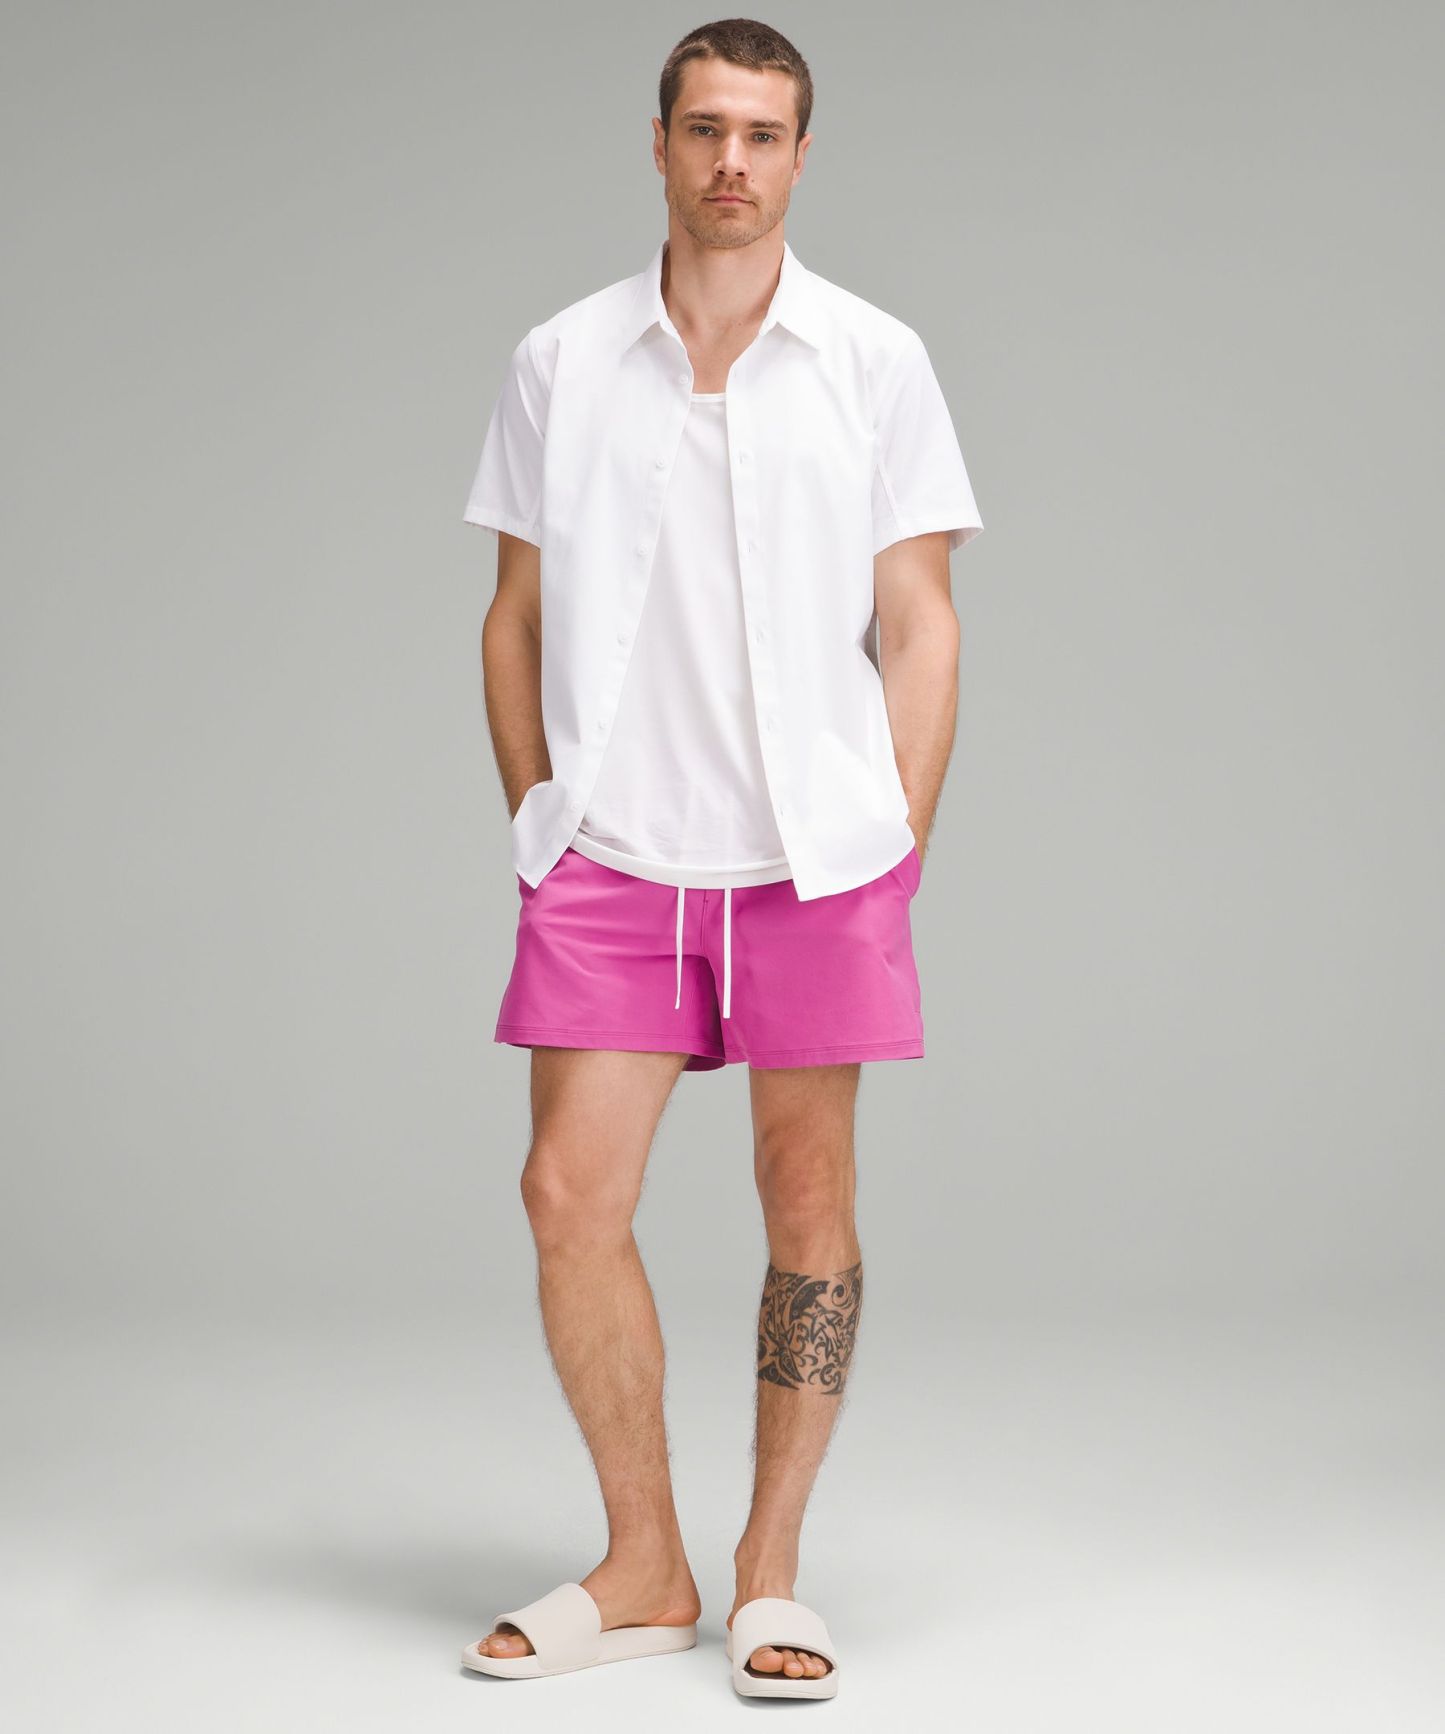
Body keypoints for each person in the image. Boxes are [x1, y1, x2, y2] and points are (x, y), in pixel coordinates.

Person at [457, 17, 983, 1702]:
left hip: (812, 858)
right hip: (614, 855)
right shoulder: (559, 357)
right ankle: (642, 1560)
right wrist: (541, 822)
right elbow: (514, 614)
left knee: (806, 1196)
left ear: (801, 155)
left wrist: (892, 844)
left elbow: (920, 620)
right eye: (704, 129)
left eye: (763, 133)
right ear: (660, 145)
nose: (732, 161)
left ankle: (767, 1569)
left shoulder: (874, 359)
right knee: (566, 1195)